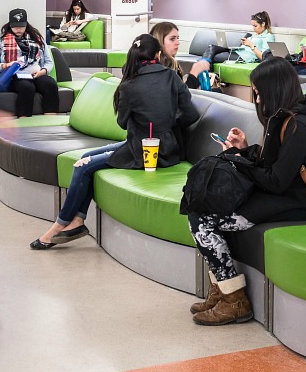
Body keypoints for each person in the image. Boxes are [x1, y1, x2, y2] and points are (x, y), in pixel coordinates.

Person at [188, 57, 306, 325]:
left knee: (202, 220)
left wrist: (236, 158)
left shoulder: (299, 125)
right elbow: (274, 165)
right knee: (204, 211)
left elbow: (277, 180)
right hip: (285, 194)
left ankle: (235, 300)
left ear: (271, 90)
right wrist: (243, 149)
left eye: (257, 92)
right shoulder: (286, 118)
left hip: (301, 202)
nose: (255, 99)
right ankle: (223, 292)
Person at [30, 34, 199, 249]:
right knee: (85, 158)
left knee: (84, 167)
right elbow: (190, 115)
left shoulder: (128, 85)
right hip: (170, 149)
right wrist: (167, 126)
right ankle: (78, 220)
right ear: (158, 54)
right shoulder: (172, 77)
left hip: (144, 152)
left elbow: (122, 123)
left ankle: (58, 226)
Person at [0, 8, 60, 117]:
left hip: (36, 74)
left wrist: (43, 71)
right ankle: (24, 121)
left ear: (26, 25)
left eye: (21, 26)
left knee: (50, 84)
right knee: (26, 87)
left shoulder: (38, 40)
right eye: (15, 26)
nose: (18, 29)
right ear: (10, 25)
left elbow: (49, 62)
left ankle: (50, 120)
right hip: (15, 75)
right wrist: (7, 65)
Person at [200, 11, 275, 72]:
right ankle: (205, 71)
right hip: (238, 52)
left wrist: (251, 45)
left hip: (244, 57)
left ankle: (204, 72)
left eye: (255, 26)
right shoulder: (255, 35)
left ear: (263, 24)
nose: (253, 28)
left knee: (213, 56)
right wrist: (245, 43)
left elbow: (264, 57)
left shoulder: (269, 36)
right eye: (252, 26)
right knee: (212, 47)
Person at [149, 21, 212, 90]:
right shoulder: (162, 68)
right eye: (172, 39)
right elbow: (181, 97)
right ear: (160, 41)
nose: (177, 43)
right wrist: (194, 73)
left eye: (177, 38)